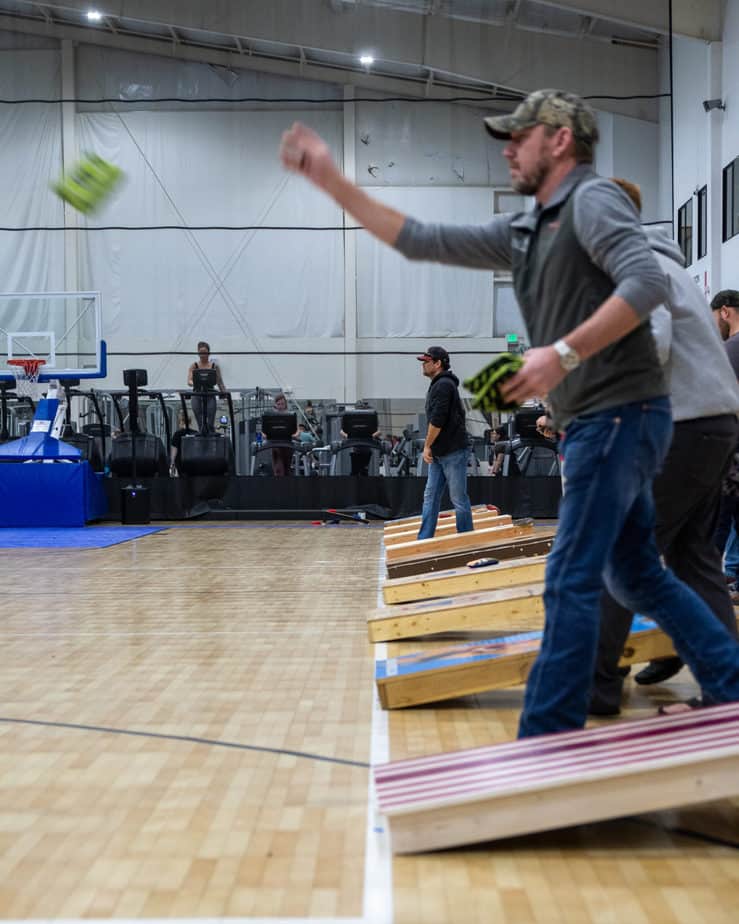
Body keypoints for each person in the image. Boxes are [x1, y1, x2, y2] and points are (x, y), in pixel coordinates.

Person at [280, 88, 739, 737]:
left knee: (571, 575)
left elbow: (646, 286)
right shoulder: (529, 230)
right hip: (605, 418)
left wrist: (562, 357)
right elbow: (420, 238)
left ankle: (547, 733)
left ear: (558, 140)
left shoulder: (593, 198)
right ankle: (729, 685)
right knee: (635, 574)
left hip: (622, 416)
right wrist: (332, 182)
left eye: (518, 137)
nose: (506, 149)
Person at [590, 179, 739, 714]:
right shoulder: (663, 265)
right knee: (694, 559)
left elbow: (648, 344)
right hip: (713, 427)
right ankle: (726, 690)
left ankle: (597, 686)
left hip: (686, 427)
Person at [412, 346, 474, 540]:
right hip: (440, 452)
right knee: (430, 496)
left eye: (426, 361)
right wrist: (432, 447)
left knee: (458, 498)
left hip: (453, 451)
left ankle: (465, 538)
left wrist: (427, 446)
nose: (423, 365)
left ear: (438, 363)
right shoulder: (439, 384)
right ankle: (424, 539)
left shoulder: (443, 385)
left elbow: (438, 420)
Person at [187, 341, 226, 434]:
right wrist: (195, 383)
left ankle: (211, 433)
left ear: (209, 353)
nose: (202, 355)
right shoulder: (194, 366)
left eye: (204, 352)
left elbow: (220, 382)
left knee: (210, 418)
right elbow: (189, 380)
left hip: (209, 394)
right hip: (197, 394)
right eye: (200, 352)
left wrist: (225, 394)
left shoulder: (214, 366)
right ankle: (202, 433)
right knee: (199, 420)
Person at [270, 392, 294, 476]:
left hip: (288, 446)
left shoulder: (291, 415)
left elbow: (296, 431)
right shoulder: (271, 417)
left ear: (285, 404)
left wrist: (293, 434)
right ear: (276, 405)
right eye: (278, 404)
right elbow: (265, 432)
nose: (280, 406)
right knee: (279, 470)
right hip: (276, 446)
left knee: (287, 470)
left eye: (282, 404)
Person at [169, 409, 197, 476]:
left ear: (181, 422)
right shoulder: (196, 433)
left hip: (181, 462)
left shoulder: (177, 434)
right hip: (193, 462)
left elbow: (174, 450)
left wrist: (172, 463)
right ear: (190, 422)